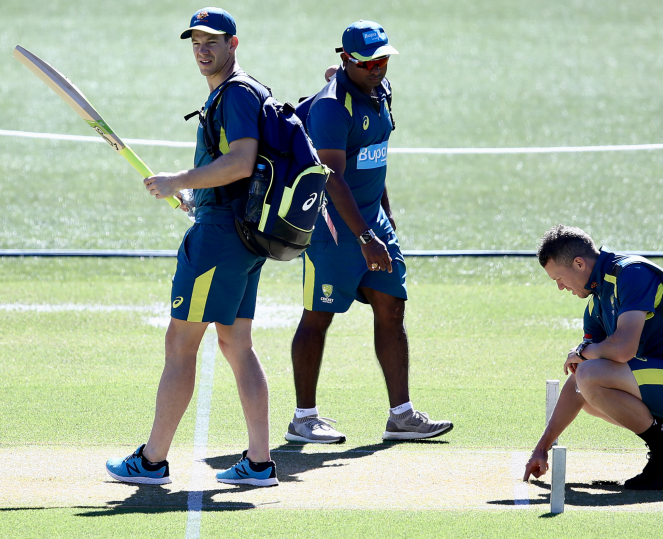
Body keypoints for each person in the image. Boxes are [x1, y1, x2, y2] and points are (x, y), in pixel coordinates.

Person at [105, 7, 277, 487]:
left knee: (181, 345)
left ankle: (152, 460)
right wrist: (194, 196)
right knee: (236, 344)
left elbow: (241, 162)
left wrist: (177, 179)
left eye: (212, 42)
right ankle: (259, 463)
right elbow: (237, 169)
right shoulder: (247, 92)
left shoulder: (236, 94)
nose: (202, 50)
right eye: (195, 42)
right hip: (241, 234)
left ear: (233, 44)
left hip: (221, 239)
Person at [286, 20, 453, 444]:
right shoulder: (330, 108)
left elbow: (374, 159)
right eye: (368, 63)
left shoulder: (382, 92)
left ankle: (401, 415)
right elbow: (332, 178)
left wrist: (385, 212)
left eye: (383, 60)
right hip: (333, 230)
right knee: (317, 317)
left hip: (371, 221)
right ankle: (303, 419)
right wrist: (364, 237)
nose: (378, 69)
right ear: (346, 61)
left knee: (392, 307)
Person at [525, 225, 663, 489]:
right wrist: (542, 447)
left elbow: (623, 350)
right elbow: (579, 380)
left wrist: (583, 352)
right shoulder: (595, 305)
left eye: (558, 278)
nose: (559, 287)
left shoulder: (631, 274)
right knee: (587, 392)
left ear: (579, 263)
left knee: (590, 375)